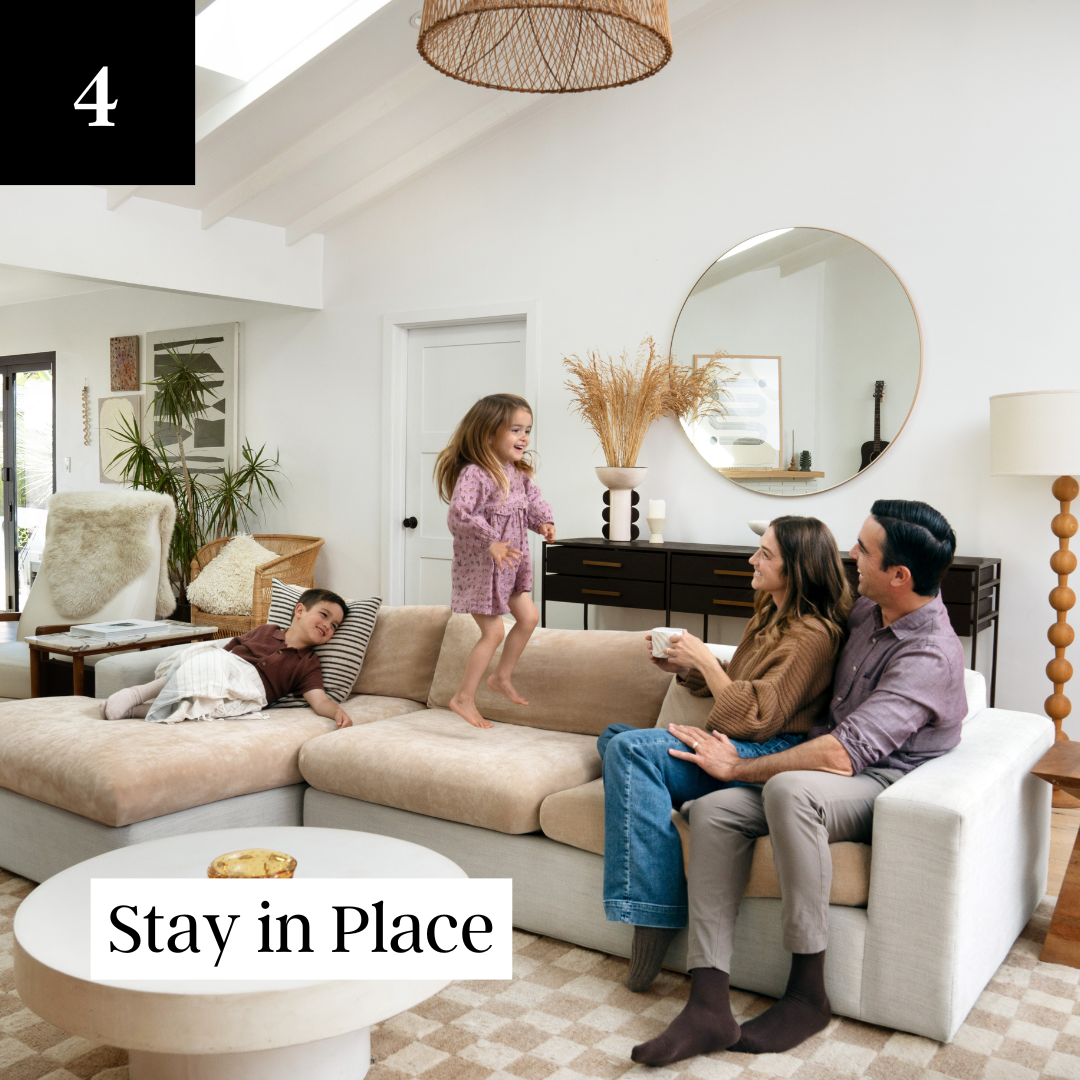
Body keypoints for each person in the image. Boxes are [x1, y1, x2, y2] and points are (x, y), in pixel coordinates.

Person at [631, 500, 968, 1067]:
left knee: (790, 789)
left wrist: (738, 766)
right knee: (713, 811)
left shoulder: (929, 653)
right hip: (835, 762)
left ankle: (809, 993)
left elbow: (842, 755)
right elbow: (801, 599)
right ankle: (708, 1001)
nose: (850, 557)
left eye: (863, 550)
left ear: (899, 575)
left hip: (883, 780)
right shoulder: (866, 608)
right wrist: (697, 666)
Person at [598, 516, 852, 992]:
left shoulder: (814, 635)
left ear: (796, 569)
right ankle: (664, 799)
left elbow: (758, 715)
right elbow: (742, 680)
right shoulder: (773, 615)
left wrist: (703, 660)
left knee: (630, 750)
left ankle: (654, 914)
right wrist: (687, 668)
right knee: (614, 738)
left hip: (766, 748)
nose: (753, 560)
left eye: (766, 554)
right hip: (747, 735)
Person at [434, 394, 555, 729]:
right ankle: (463, 698)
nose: (524, 437)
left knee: (529, 617)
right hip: (482, 569)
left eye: (527, 430)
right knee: (493, 633)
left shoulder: (518, 473)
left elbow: (532, 504)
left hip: (512, 566)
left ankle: (501, 677)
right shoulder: (476, 474)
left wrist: (543, 522)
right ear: (488, 434)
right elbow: (460, 514)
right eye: (515, 429)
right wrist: (491, 542)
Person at [99, 588, 354, 727]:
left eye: (334, 626)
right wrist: (213, 660)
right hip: (226, 664)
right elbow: (229, 649)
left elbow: (319, 701)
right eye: (324, 615)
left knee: (207, 707)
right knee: (201, 659)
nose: (328, 626)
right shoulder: (267, 631)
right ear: (299, 610)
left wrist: (336, 713)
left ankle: (136, 710)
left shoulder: (308, 664)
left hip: (250, 692)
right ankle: (137, 694)